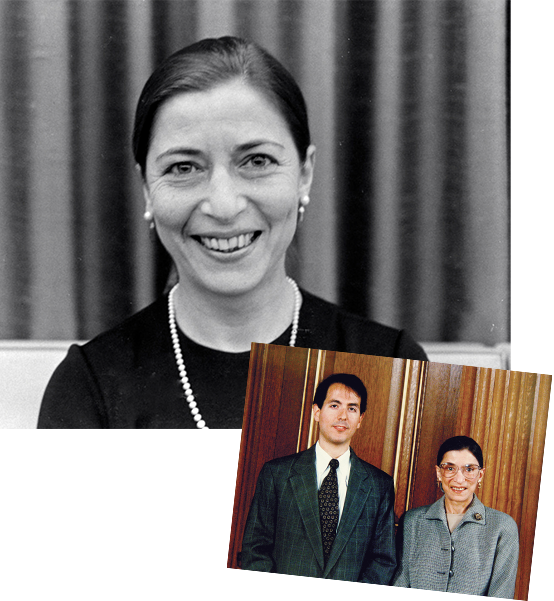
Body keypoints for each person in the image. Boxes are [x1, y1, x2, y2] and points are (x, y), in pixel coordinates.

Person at [38, 36, 427, 429]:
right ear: (146, 189)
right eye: (184, 167)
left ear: (304, 174)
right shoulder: (89, 388)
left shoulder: (394, 365)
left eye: (257, 160)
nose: (224, 207)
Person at [241, 373, 396, 586]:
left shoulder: (379, 486)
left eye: (352, 408)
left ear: (360, 419)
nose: (343, 416)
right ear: (316, 411)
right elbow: (254, 549)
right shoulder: (277, 474)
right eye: (334, 405)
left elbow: (383, 560)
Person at [393, 436, 519, 599]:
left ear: (480, 475)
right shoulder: (413, 521)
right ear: (439, 472)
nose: (459, 479)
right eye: (450, 468)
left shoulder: (502, 527)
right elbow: (400, 586)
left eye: (469, 469)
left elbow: (501, 595)